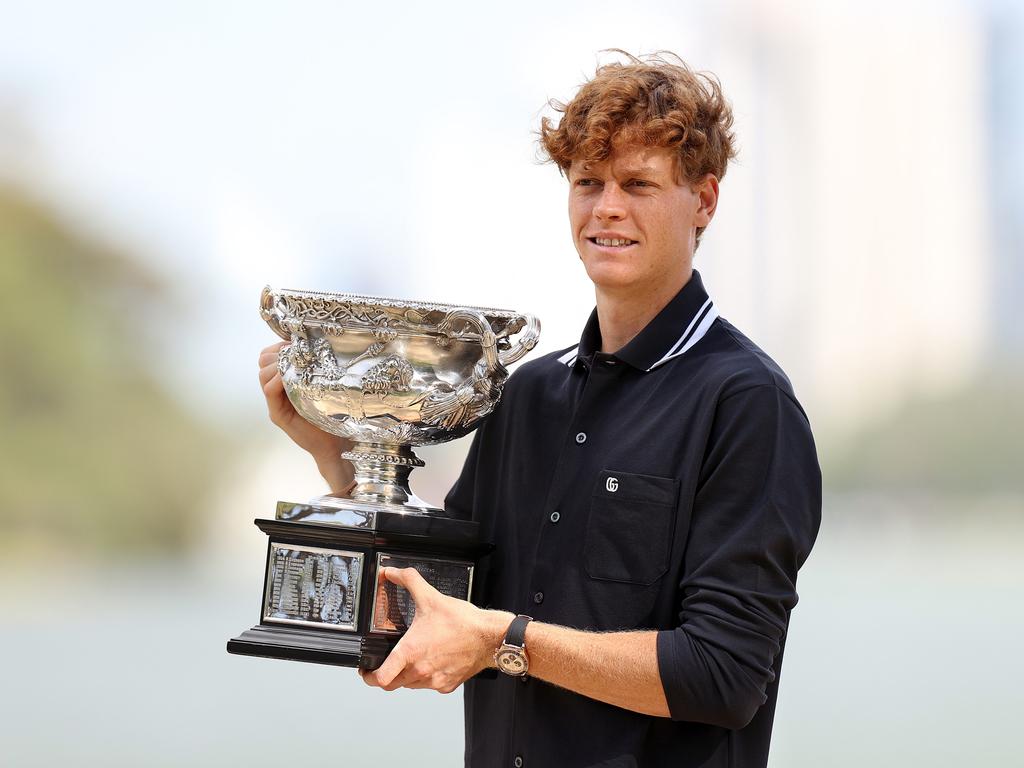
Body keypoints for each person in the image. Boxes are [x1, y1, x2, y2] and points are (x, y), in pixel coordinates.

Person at [257, 51, 821, 768]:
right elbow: (439, 590)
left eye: (639, 184)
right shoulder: (527, 393)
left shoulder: (746, 404)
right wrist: (334, 448)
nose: (607, 207)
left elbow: (724, 674)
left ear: (704, 200)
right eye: (588, 182)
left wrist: (502, 642)